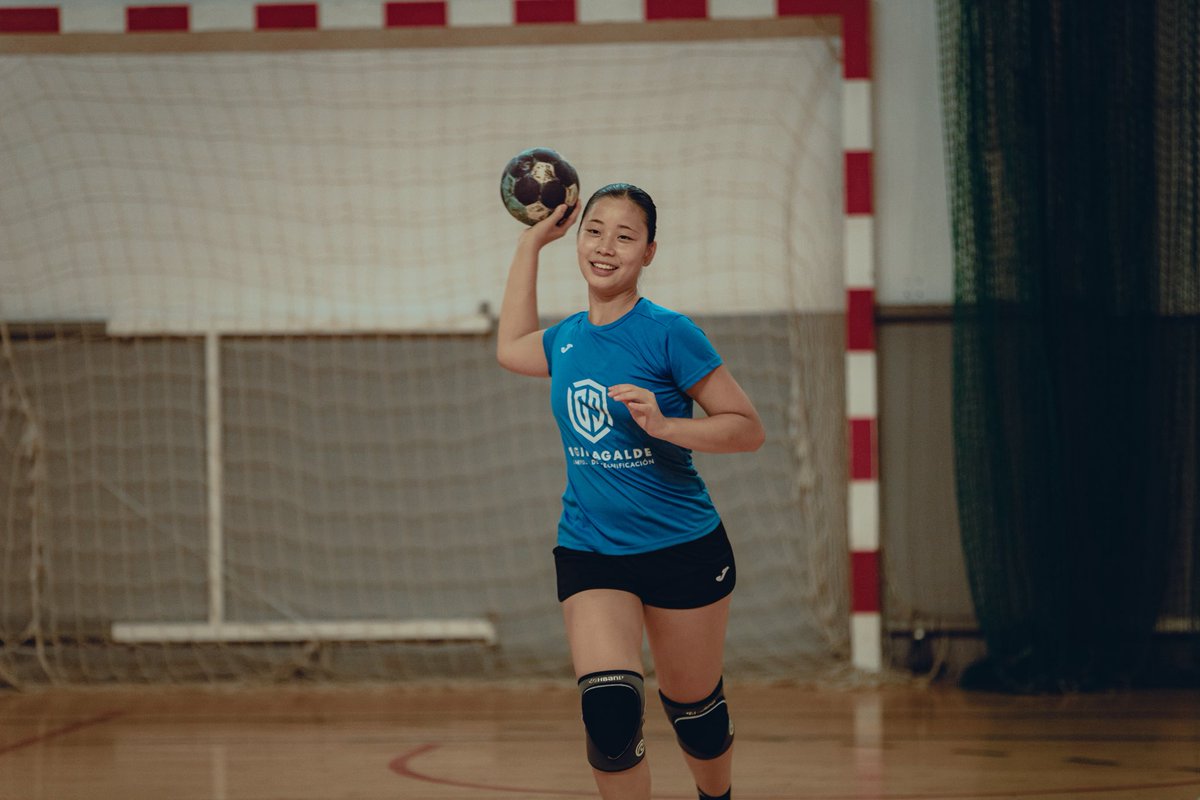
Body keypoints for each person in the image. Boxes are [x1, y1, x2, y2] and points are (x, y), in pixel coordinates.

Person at [496, 183, 765, 800]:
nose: (606, 247)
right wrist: (531, 242)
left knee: (695, 712)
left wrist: (668, 426)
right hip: (591, 549)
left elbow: (748, 429)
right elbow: (510, 347)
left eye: (625, 236)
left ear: (648, 252)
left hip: (683, 548)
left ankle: (715, 797)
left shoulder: (670, 333)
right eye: (594, 230)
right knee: (611, 716)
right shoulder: (565, 339)